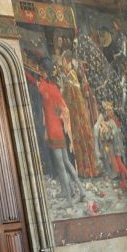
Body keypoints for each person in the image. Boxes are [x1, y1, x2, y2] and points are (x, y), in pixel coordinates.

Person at [26, 64, 85, 204]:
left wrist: (26, 71)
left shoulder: (45, 88)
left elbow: (34, 82)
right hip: (58, 128)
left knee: (61, 164)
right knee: (66, 162)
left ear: (46, 75)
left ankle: (70, 198)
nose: (40, 75)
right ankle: (78, 190)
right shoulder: (54, 89)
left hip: (53, 129)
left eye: (42, 73)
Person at [94, 100, 127, 195]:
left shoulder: (112, 121)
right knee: (119, 164)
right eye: (107, 111)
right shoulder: (110, 121)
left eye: (109, 111)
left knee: (120, 164)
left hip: (117, 146)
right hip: (115, 145)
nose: (108, 113)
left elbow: (114, 134)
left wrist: (108, 135)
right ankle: (124, 182)